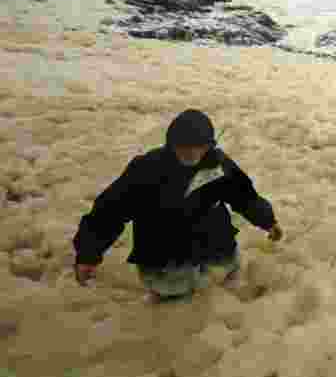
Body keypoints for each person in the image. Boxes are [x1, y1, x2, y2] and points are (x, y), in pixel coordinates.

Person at [73, 108, 284, 302]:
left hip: (215, 247)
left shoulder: (217, 165)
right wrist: (88, 254)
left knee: (224, 275)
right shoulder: (148, 168)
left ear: (209, 145)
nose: (191, 153)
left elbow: (244, 196)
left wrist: (268, 221)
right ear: (171, 144)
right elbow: (109, 211)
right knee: (176, 296)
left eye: (198, 147)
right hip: (164, 257)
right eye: (184, 147)